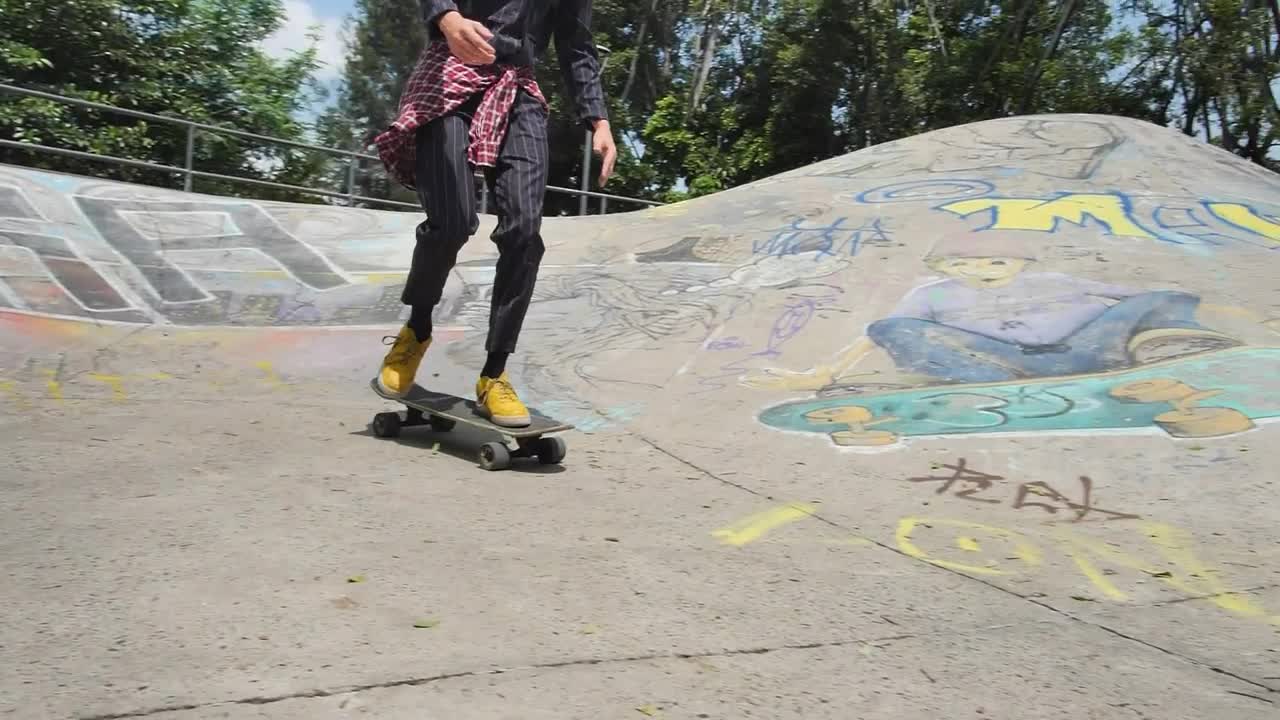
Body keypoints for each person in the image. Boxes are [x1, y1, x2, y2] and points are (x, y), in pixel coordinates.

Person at [372, 0, 617, 427]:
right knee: (453, 220)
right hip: (451, 67)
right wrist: (446, 18)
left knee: (524, 231)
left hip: (518, 89)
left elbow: (576, 44)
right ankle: (418, 330)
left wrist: (598, 120)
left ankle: (494, 374)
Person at [744, 232, 1238, 391]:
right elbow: (882, 333)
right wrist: (821, 374)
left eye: (997, 262)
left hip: (1085, 352)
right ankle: (967, 378)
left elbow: (1124, 293)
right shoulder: (933, 293)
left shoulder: (1054, 280)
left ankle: (1169, 347)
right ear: (945, 265)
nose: (981, 272)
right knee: (892, 324)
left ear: (1020, 261)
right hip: (996, 362)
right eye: (964, 264)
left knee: (1151, 300)